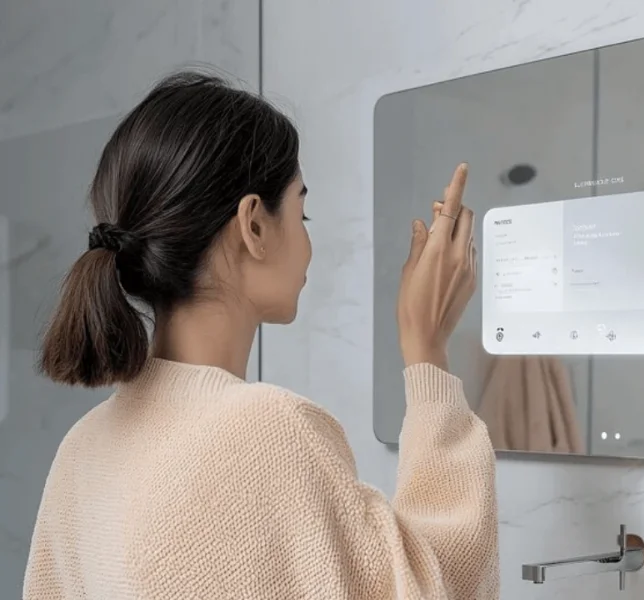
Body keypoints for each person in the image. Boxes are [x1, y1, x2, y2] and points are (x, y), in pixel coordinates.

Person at [22, 72, 498, 599]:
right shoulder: (267, 431)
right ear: (253, 225)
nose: (310, 242)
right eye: (302, 209)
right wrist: (425, 346)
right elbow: (440, 588)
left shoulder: (81, 450)